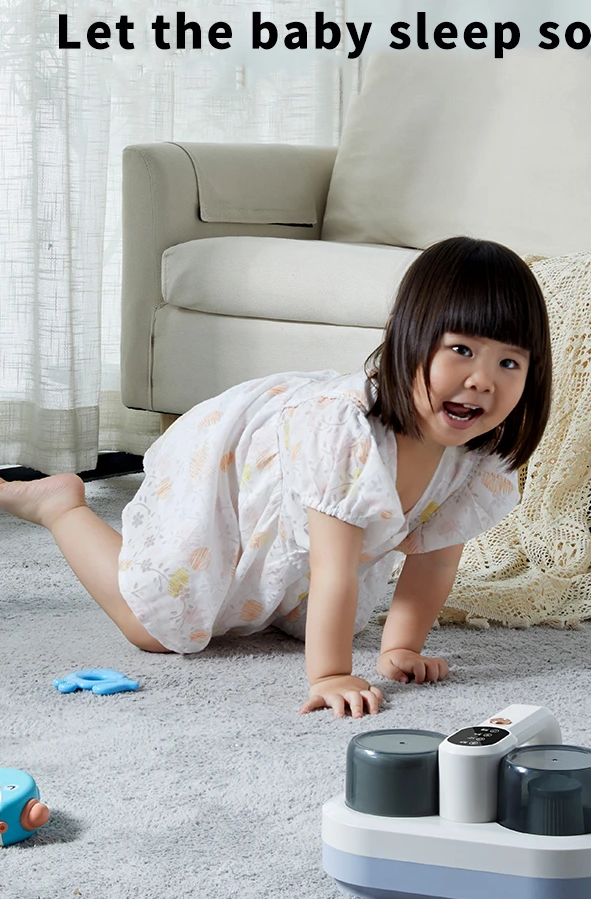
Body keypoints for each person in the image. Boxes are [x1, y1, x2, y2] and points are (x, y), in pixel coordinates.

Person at [0, 236, 551, 719]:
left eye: (509, 363)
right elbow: (333, 567)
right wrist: (331, 675)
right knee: (159, 627)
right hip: (234, 468)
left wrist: (399, 649)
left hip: (303, 517)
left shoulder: (474, 461)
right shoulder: (347, 435)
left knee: (297, 615)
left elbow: (434, 562)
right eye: (461, 350)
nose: (482, 380)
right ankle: (61, 507)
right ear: (403, 335)